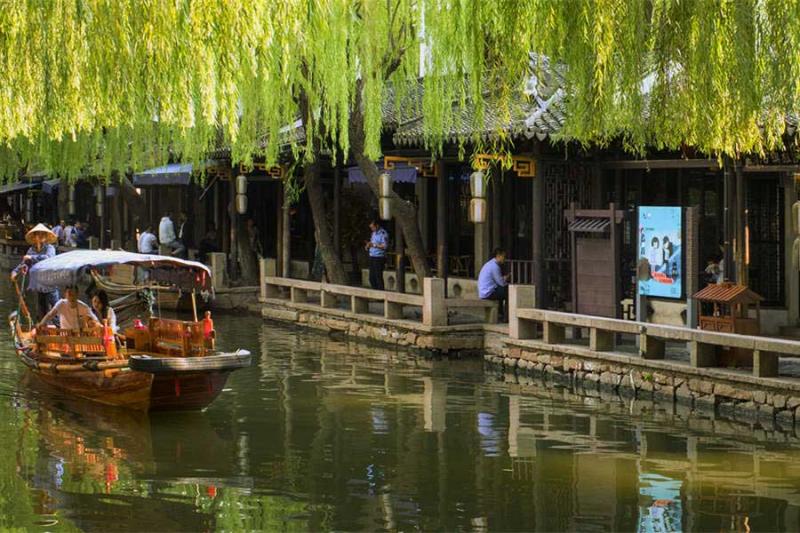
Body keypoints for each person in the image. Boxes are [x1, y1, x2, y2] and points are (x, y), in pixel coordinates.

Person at [10, 223, 59, 321]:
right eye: (38, 234)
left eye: (42, 234)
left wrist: (32, 258)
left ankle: (60, 331)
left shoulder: (50, 248)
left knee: (56, 311)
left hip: (51, 284)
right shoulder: (31, 250)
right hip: (39, 284)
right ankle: (42, 332)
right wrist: (15, 272)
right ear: (34, 237)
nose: (40, 236)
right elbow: (24, 263)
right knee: (41, 313)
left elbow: (48, 258)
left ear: (46, 237)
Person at [478, 248, 510, 319]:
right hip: (488, 292)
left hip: (484, 291)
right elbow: (501, 283)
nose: (504, 259)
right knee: (508, 292)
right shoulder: (494, 266)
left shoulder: (489, 264)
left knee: (502, 291)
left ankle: (500, 313)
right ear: (498, 256)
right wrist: (505, 279)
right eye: (503, 256)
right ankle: (506, 317)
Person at [365, 219, 388, 290]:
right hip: (372, 256)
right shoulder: (373, 233)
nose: (372, 229)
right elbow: (372, 242)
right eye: (371, 228)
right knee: (371, 277)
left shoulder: (383, 233)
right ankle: (375, 292)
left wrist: (374, 245)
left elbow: (384, 246)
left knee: (378, 276)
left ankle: (381, 294)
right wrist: (368, 245)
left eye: (373, 227)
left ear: (377, 226)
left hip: (379, 257)